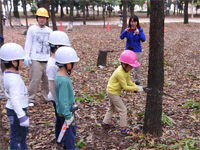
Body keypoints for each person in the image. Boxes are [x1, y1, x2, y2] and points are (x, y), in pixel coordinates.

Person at [102, 50, 144, 136]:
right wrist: (137, 89)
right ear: (124, 64)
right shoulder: (120, 72)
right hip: (113, 92)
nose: (131, 68)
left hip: (113, 91)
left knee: (112, 108)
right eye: (131, 66)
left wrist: (137, 87)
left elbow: (129, 82)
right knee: (123, 110)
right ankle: (123, 129)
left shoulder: (126, 70)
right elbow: (125, 87)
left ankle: (105, 123)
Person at [0, 43, 29, 150]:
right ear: (14, 62)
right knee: (17, 138)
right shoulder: (13, 79)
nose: (23, 62)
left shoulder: (8, 74)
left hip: (15, 109)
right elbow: (15, 100)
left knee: (21, 137)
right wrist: (22, 116)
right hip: (17, 111)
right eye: (21, 60)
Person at [24, 7, 53, 107]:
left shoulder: (49, 30)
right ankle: (31, 99)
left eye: (44, 18)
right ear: (37, 18)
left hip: (47, 59)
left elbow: (52, 45)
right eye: (40, 17)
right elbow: (28, 42)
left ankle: (46, 97)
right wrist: (26, 55)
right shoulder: (32, 29)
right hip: (35, 58)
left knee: (47, 79)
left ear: (46, 19)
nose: (42, 19)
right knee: (35, 80)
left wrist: (53, 58)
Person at [46, 30, 71, 143]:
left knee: (60, 120)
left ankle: (59, 139)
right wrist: (58, 102)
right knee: (62, 121)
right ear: (57, 47)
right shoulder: (52, 64)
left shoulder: (58, 60)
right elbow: (51, 85)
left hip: (60, 98)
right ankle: (63, 140)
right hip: (57, 99)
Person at [54, 47, 80, 150]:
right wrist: (68, 116)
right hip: (67, 112)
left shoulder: (58, 76)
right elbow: (63, 100)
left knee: (64, 131)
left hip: (61, 111)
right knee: (70, 133)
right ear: (68, 64)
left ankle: (65, 145)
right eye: (73, 64)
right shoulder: (64, 81)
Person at [120, 15, 146, 85]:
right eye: (131, 22)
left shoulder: (140, 30)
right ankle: (126, 82)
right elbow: (121, 37)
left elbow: (143, 39)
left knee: (137, 67)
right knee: (126, 67)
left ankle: (137, 82)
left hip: (137, 50)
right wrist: (125, 32)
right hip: (128, 51)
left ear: (137, 22)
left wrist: (138, 34)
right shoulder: (128, 29)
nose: (133, 23)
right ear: (130, 22)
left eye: (134, 21)